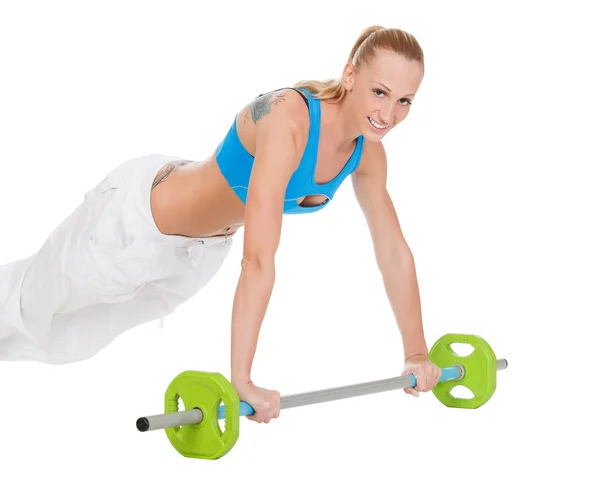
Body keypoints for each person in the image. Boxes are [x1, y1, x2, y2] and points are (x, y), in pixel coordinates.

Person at [0, 25, 442, 423]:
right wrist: (242, 379)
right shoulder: (288, 117)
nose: (389, 114)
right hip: (133, 221)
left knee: (66, 342)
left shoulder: (367, 155)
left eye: (405, 101)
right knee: (24, 307)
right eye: (380, 92)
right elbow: (259, 260)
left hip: (193, 259)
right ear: (350, 76)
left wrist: (416, 353)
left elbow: (393, 252)